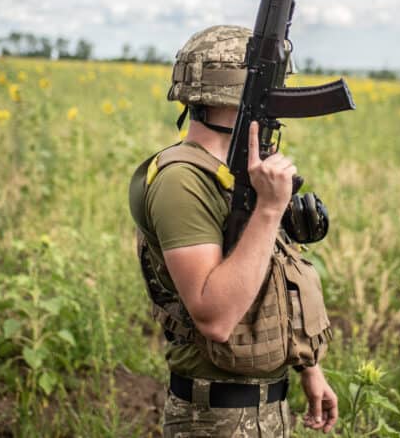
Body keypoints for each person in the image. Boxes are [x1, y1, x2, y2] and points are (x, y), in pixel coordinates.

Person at [129, 25, 338, 437]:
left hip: (268, 408)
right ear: (240, 94)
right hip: (215, 418)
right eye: (269, 87)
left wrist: (308, 365)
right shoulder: (181, 181)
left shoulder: (242, 175)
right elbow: (216, 318)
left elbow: (269, 273)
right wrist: (271, 208)